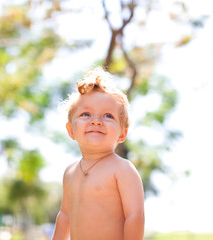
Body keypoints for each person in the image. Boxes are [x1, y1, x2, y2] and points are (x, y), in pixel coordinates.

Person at [52, 67, 145, 240]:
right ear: (71, 130)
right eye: (86, 114)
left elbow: (135, 216)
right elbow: (65, 217)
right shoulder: (70, 172)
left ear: (122, 133)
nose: (96, 121)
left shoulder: (122, 169)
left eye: (108, 116)